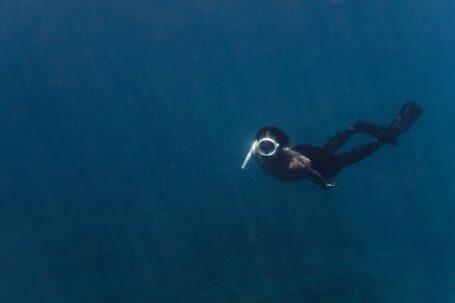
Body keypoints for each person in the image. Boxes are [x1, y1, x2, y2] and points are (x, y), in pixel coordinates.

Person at [241, 102, 423, 189]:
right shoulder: (257, 153)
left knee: (344, 159)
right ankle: (354, 128)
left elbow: (312, 174)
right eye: (263, 147)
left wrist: (323, 184)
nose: (265, 152)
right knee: (325, 150)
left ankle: (378, 141)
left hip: (317, 164)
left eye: (269, 147)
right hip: (306, 151)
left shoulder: (294, 165)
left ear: (279, 147)